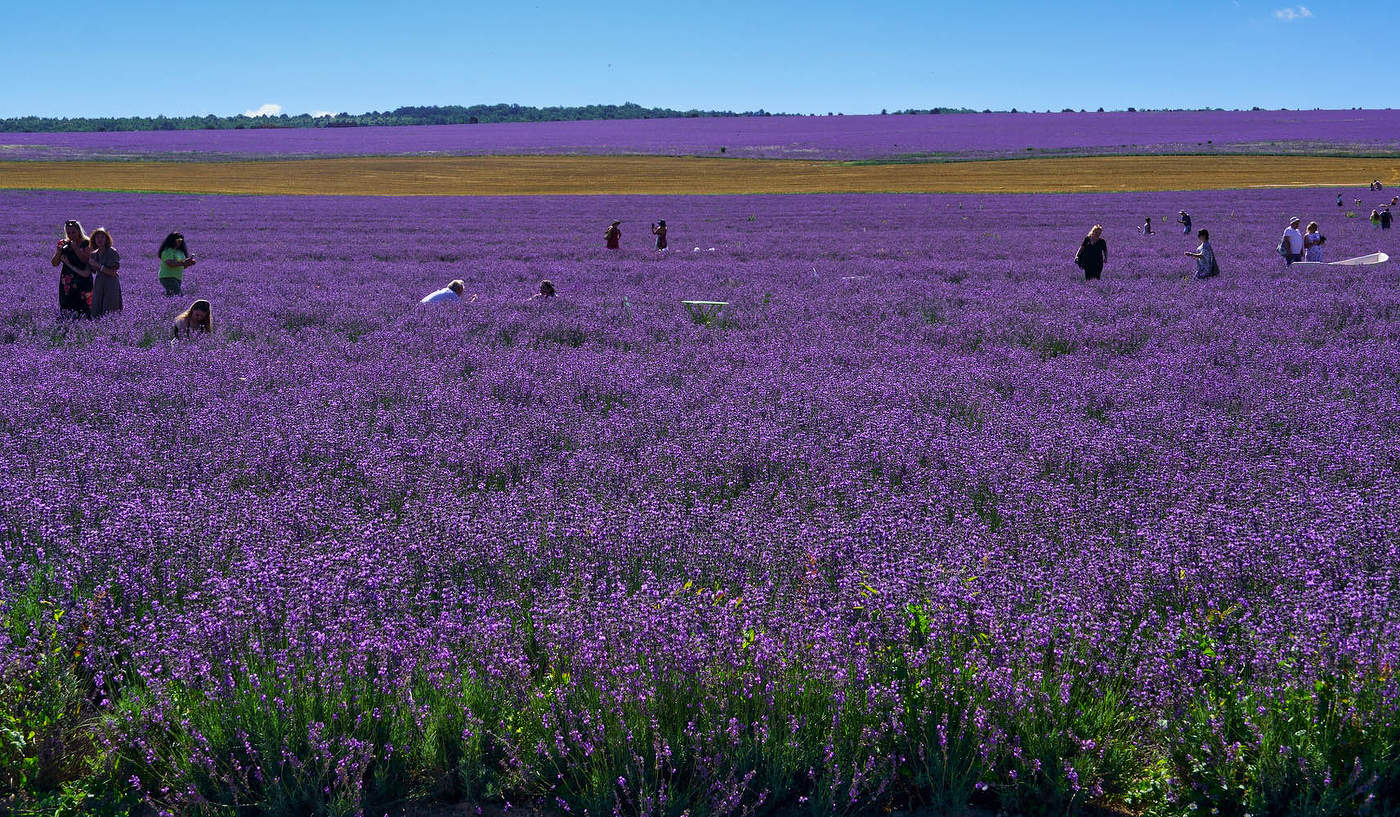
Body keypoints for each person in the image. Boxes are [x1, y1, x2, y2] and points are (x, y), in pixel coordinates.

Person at [50, 219, 93, 318]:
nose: (71, 234)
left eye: (73, 232)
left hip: (83, 281)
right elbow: (54, 263)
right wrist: (58, 252)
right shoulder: (63, 243)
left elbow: (86, 261)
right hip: (67, 282)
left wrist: (75, 248)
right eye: (68, 232)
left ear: (79, 231)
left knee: (84, 308)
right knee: (67, 306)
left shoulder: (87, 243)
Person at [87, 227, 122, 318]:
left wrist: (98, 265)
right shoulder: (94, 254)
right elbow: (91, 271)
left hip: (111, 283)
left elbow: (113, 272)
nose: (100, 239)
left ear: (107, 239)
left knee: (110, 308)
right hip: (99, 283)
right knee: (97, 307)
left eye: (102, 237)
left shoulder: (112, 252)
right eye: (97, 237)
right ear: (94, 240)